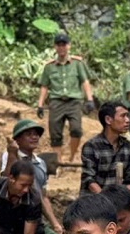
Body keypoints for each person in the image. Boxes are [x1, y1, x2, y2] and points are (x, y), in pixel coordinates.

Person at [2, 119, 73, 234]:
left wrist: (55, 223)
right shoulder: (9, 156)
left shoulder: (40, 163)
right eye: (29, 134)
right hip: (12, 223)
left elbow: (43, 196)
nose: (34, 137)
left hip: (35, 221)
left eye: (36, 134)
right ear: (17, 139)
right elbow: (5, 179)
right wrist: (12, 153)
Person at [36, 33, 96, 162]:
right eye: (59, 45)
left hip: (74, 101)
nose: (61, 47)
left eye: (64, 45)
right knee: (55, 133)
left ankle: (71, 156)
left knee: (76, 130)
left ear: (69, 46)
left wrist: (90, 99)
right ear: (55, 47)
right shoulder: (49, 67)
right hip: (56, 102)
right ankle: (58, 162)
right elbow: (44, 86)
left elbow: (85, 81)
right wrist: (40, 104)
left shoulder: (77, 63)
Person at [81, 100, 130, 194]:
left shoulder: (127, 146)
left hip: (118, 200)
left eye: (127, 116)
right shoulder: (92, 146)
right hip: (94, 200)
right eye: (123, 116)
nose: (127, 120)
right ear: (108, 120)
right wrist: (106, 200)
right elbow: (89, 179)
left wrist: (123, 198)